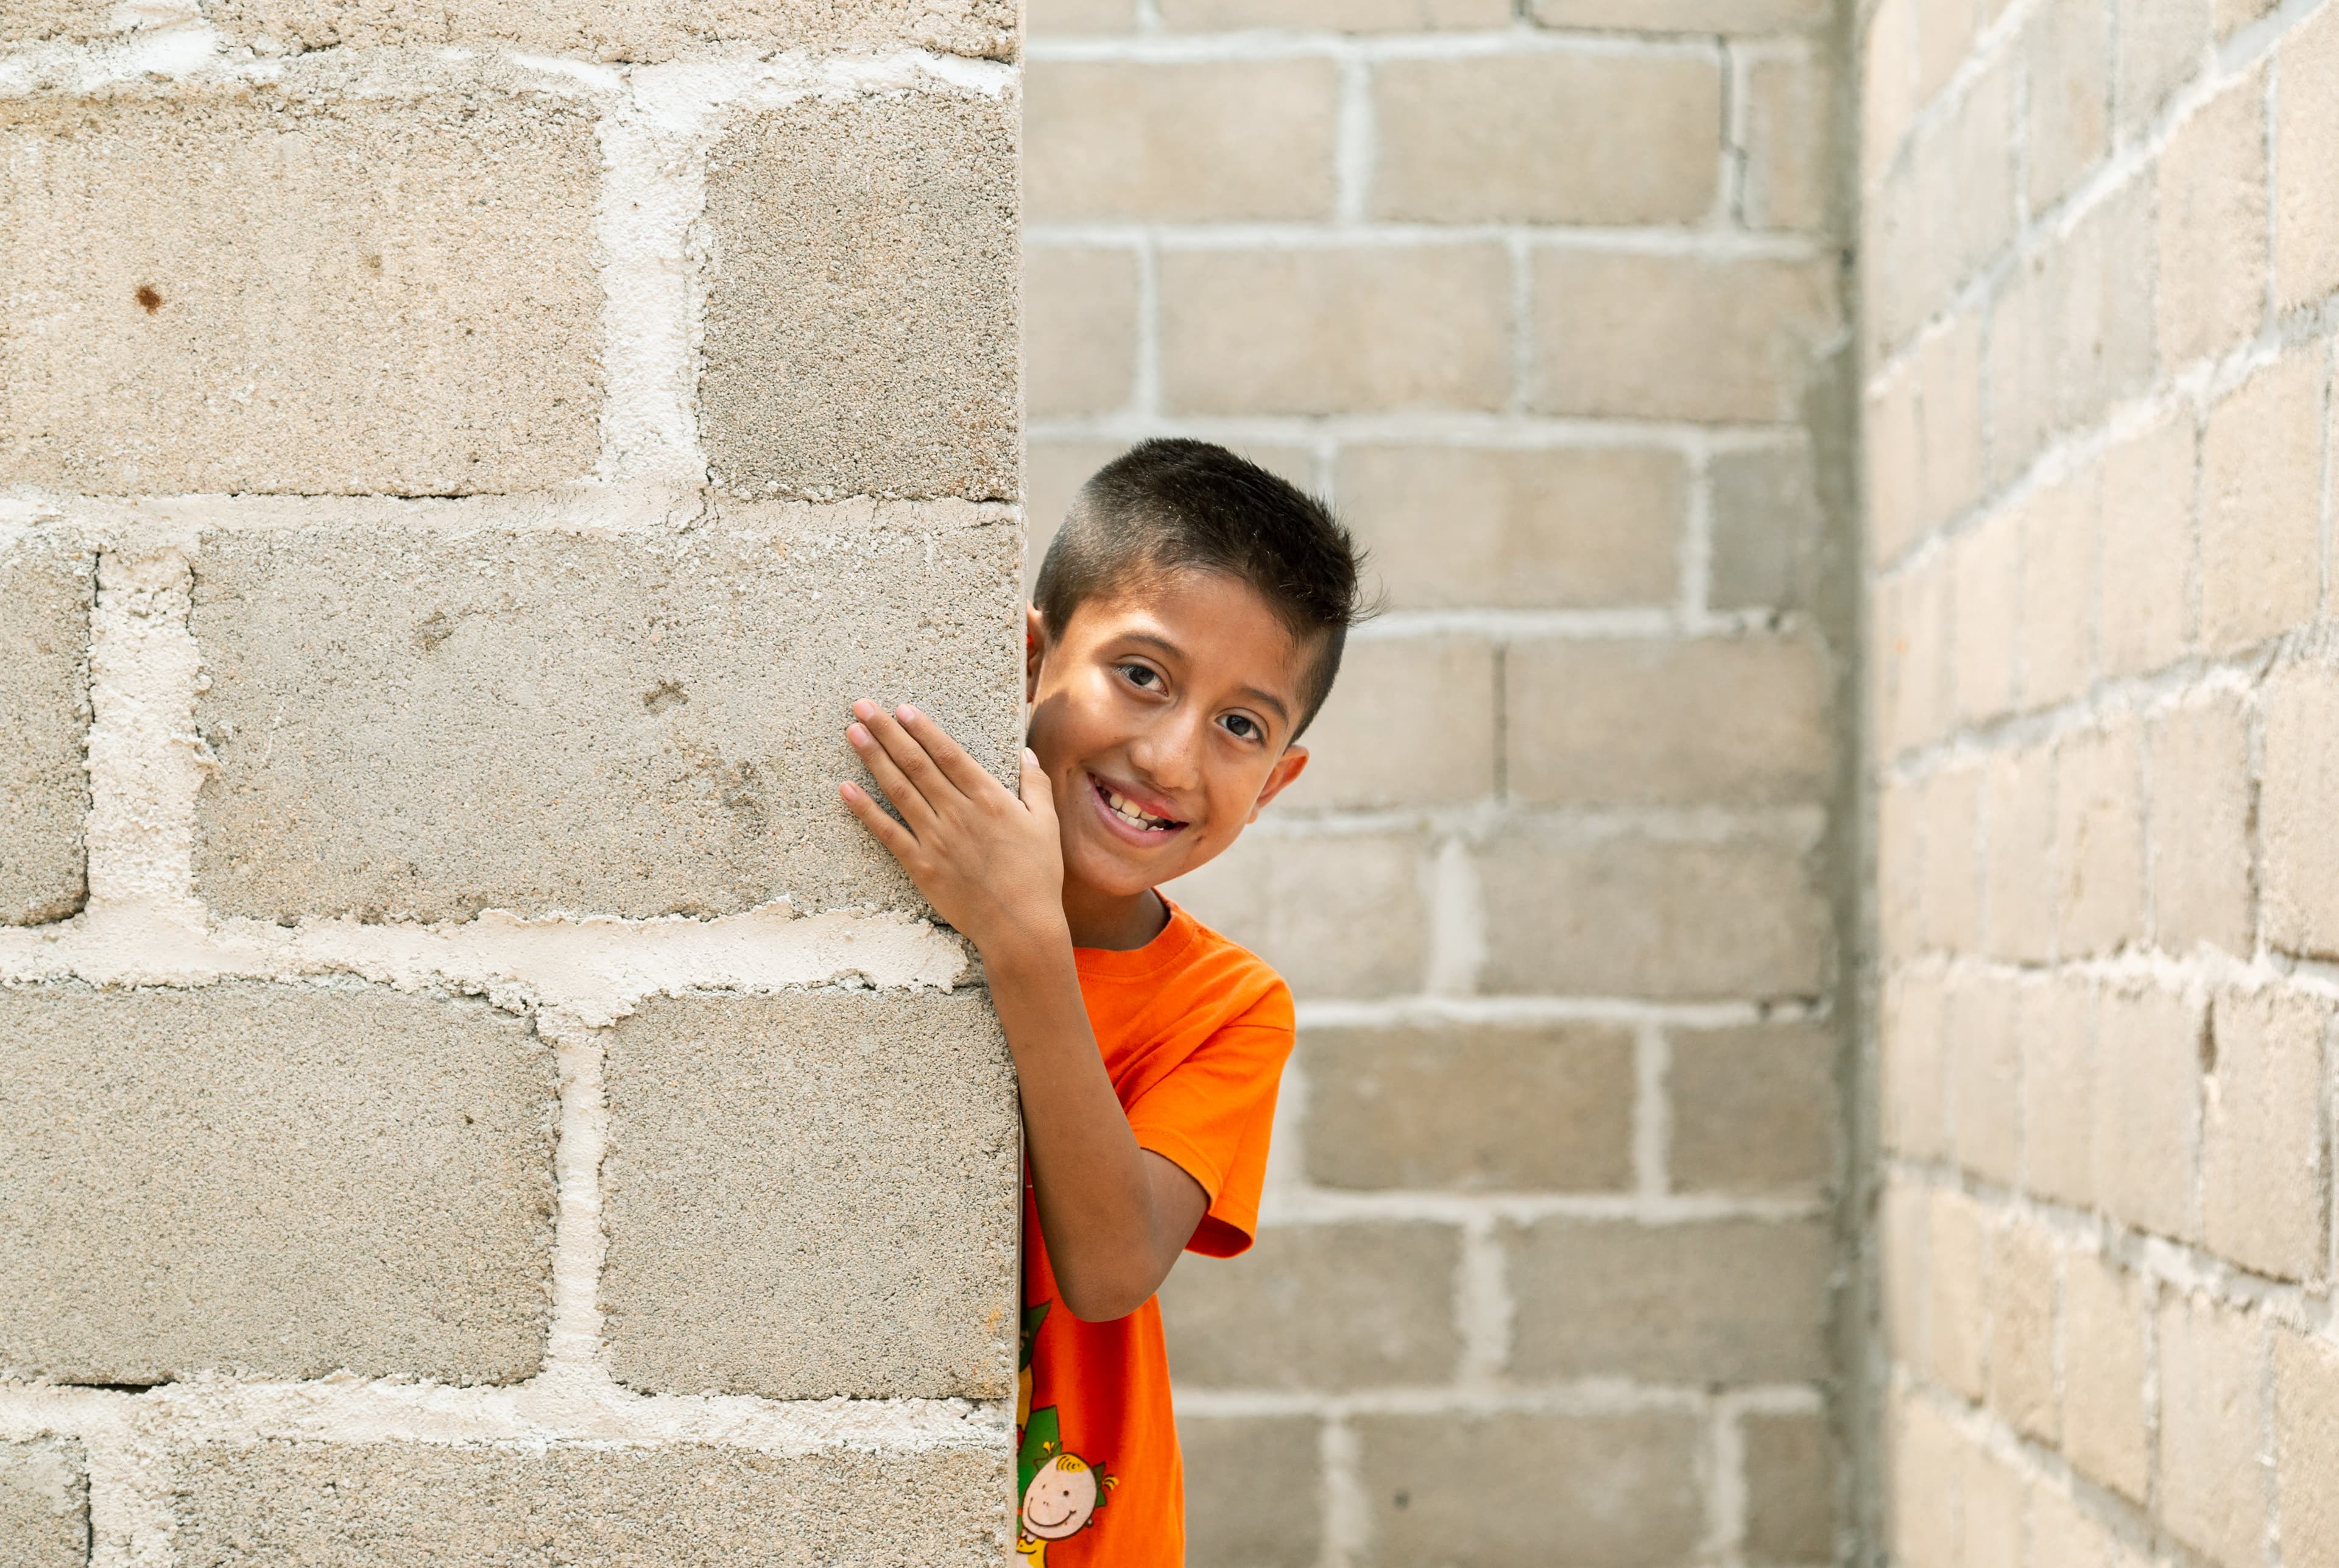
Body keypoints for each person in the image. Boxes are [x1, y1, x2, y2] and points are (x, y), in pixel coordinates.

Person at [837, 438, 1366, 1566]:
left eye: (1241, 726)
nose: (1173, 755)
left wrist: (1025, 936)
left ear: (1275, 782)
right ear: (1030, 657)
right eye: (1142, 674)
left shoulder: (1229, 1004)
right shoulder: (874, 906)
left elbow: (1113, 1263)